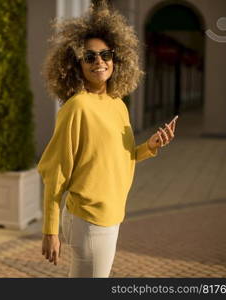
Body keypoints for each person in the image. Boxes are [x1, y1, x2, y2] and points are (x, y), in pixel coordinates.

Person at [37, 1, 178, 278]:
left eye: (106, 55)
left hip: (112, 214)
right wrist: (50, 231)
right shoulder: (76, 107)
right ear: (76, 64)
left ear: (117, 59)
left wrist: (149, 147)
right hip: (88, 219)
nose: (99, 62)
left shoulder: (118, 104)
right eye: (89, 57)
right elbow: (55, 173)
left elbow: (119, 155)